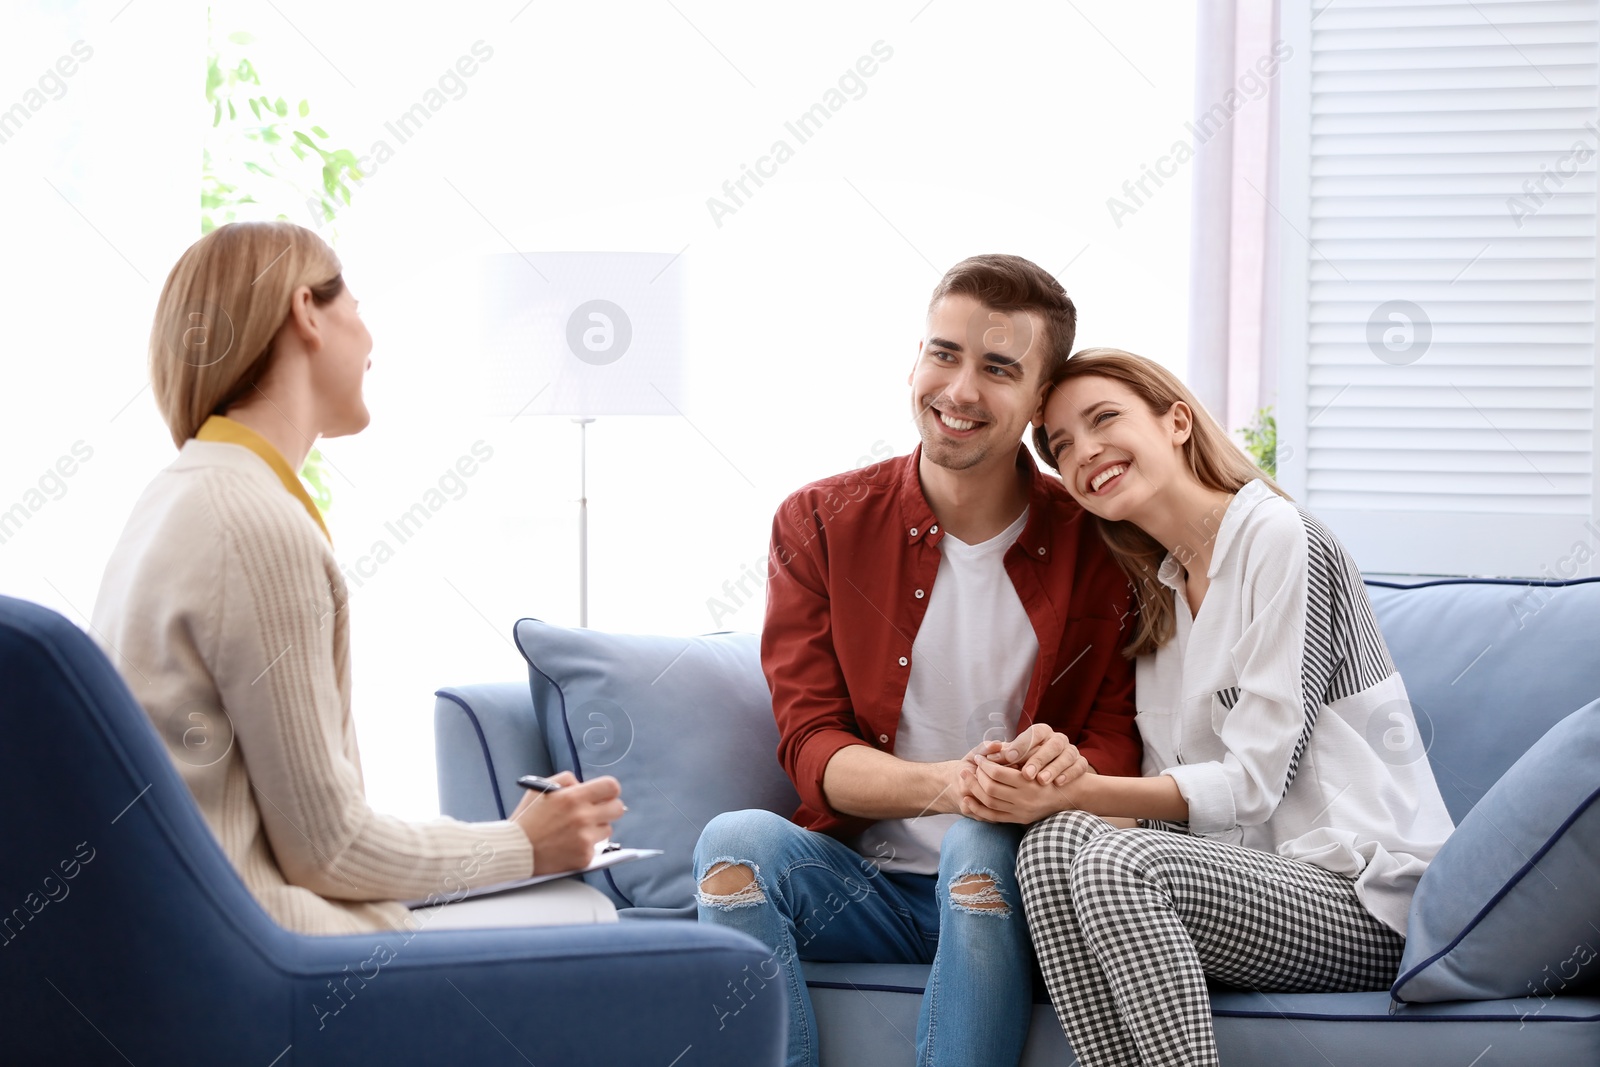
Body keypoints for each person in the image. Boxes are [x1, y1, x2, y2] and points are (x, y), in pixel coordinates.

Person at [91, 221, 623, 935]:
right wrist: (525, 844)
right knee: (584, 914)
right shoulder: (254, 522)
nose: (372, 344)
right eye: (358, 308)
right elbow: (331, 849)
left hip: (196, 932)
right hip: (263, 947)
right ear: (306, 310)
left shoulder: (178, 495)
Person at [692, 255, 1142, 1067]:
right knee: (733, 843)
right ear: (915, 361)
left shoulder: (1097, 538)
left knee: (976, 842)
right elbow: (811, 747)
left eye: (998, 368)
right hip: (860, 884)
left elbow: (1119, 738)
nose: (961, 390)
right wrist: (952, 781)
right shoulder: (818, 521)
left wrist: (1058, 773)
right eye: (944, 353)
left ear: (1040, 401)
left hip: (1019, 880)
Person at [986, 347, 1455, 1066]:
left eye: (1103, 418)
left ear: (1176, 420)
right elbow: (1164, 804)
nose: (1083, 452)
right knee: (1051, 848)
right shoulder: (1157, 594)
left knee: (1119, 864)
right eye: (1059, 446)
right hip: (1245, 890)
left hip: (1363, 898)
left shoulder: (1281, 537)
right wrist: (1043, 787)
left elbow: (1255, 782)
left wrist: (1086, 791)